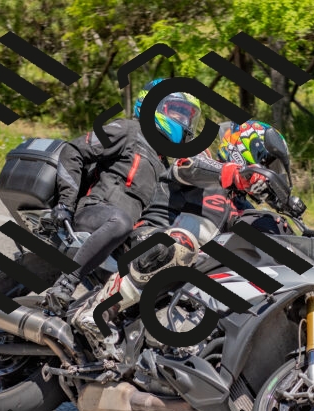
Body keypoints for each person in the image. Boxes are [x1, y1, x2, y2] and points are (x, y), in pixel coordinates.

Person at [70, 120, 290, 359]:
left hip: (188, 271)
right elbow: (185, 166)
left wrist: (285, 225)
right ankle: (97, 311)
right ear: (247, 150)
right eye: (269, 164)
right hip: (148, 242)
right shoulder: (205, 164)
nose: (269, 173)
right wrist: (234, 174)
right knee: (181, 244)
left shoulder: (242, 206)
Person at [43, 78, 202, 316]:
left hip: (122, 237)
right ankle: (67, 282)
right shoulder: (128, 130)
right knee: (121, 221)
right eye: (177, 111)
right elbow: (73, 150)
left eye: (188, 115)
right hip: (93, 213)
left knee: (168, 252)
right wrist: (65, 203)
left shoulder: (164, 165)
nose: (184, 120)